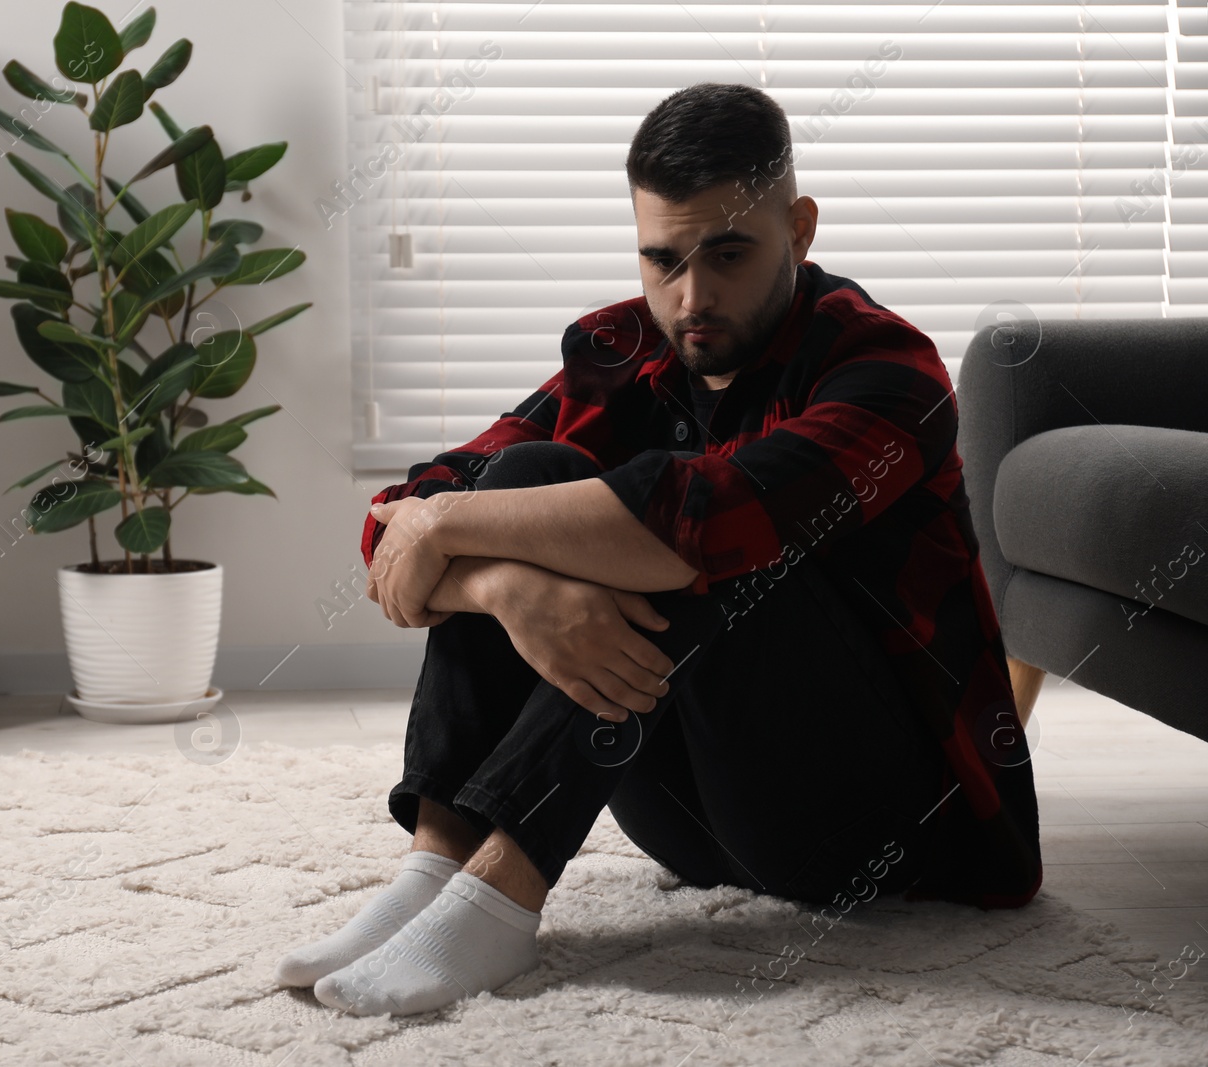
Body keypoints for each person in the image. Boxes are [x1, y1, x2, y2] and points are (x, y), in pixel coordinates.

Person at [276, 81, 1041, 1018]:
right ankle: (434, 869)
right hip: (693, 823)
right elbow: (404, 518)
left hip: (870, 830)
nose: (691, 295)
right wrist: (513, 586)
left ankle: (502, 895)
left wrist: (451, 534)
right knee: (527, 481)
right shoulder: (625, 351)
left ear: (799, 229)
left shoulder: (887, 373)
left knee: (711, 534)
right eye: (663, 258)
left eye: (728, 253)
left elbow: (704, 522)